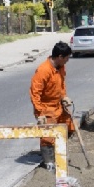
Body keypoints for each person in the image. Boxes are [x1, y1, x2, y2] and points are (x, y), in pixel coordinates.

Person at [30, 41, 75, 170]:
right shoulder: (43, 70)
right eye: (66, 58)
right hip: (46, 108)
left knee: (69, 127)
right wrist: (40, 113)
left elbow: (61, 84)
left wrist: (64, 97)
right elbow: (35, 93)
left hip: (58, 105)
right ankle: (48, 161)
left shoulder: (60, 67)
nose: (67, 61)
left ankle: (58, 152)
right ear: (60, 57)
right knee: (48, 135)